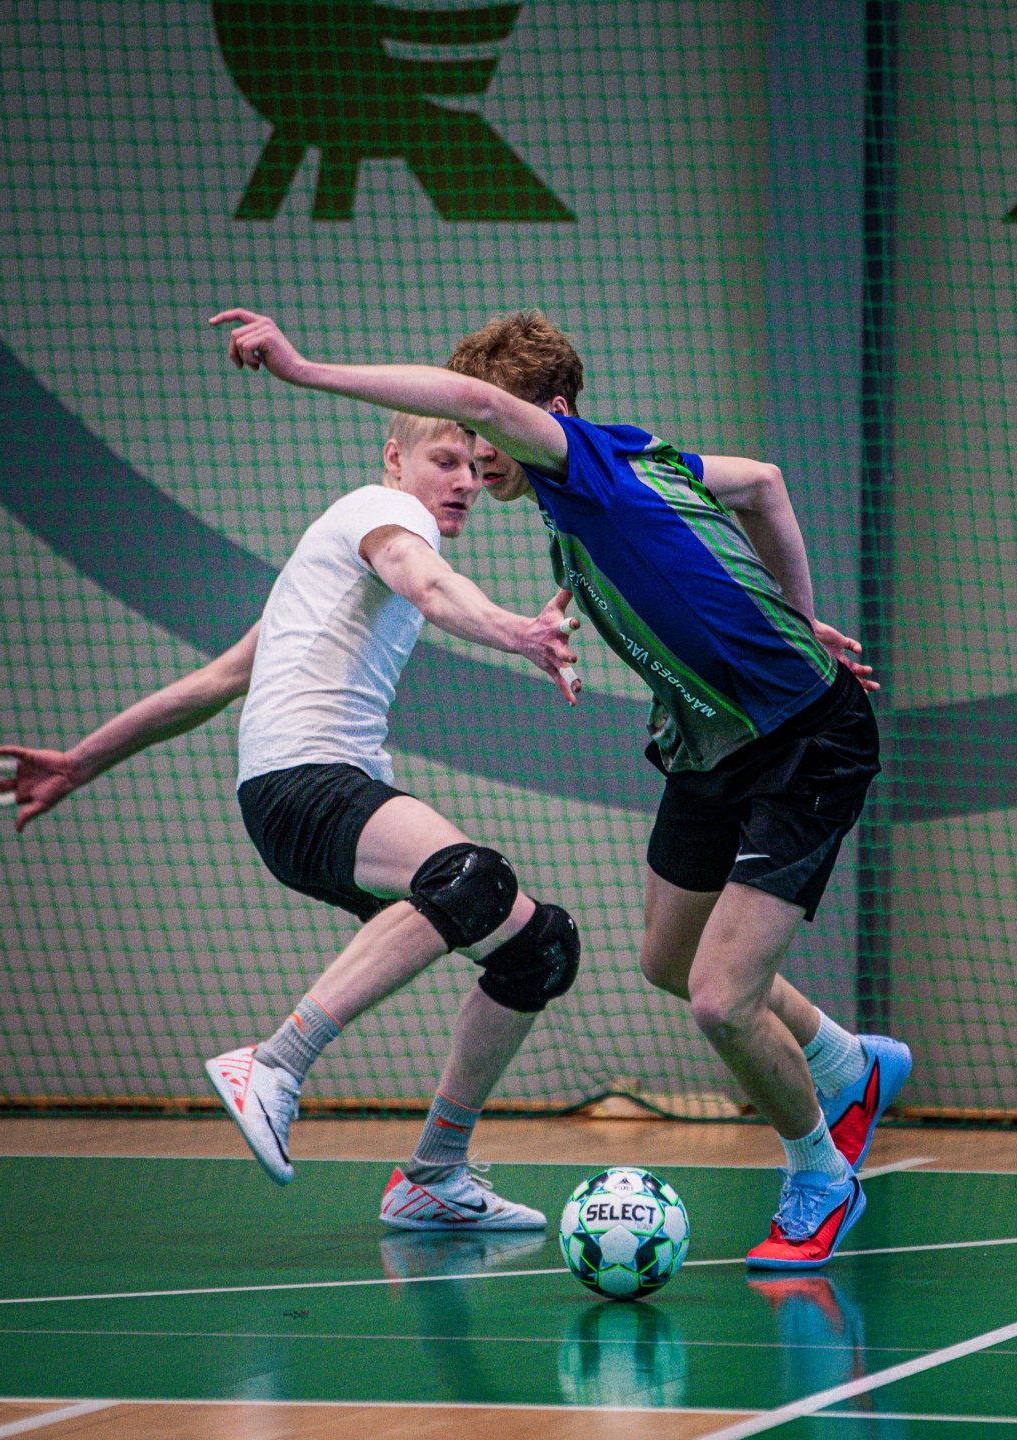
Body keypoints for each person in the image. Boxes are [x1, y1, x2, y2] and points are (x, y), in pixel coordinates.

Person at [207, 305, 912, 1271]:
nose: (476, 452)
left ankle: (821, 1176)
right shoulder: (629, 466)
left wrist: (306, 370)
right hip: (708, 748)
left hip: (805, 743)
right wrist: (793, 618)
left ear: (550, 413)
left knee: (719, 1001)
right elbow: (761, 483)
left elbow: (476, 403)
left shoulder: (580, 462)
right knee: (668, 960)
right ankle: (846, 1061)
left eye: (487, 428)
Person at [0, 409, 584, 1232]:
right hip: (306, 783)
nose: (467, 482)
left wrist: (81, 762)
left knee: (537, 947)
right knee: (474, 878)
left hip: (298, 801)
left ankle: (434, 1175)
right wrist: (520, 632)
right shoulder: (386, 514)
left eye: (476, 467)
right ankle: (275, 1062)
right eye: (446, 460)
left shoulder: (328, 570)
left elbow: (216, 681)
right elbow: (428, 584)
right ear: (394, 458)